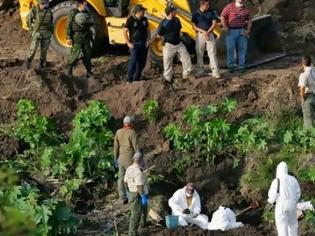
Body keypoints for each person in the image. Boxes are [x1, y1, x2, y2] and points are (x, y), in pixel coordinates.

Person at [157, 5, 192, 83]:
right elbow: (158, 34)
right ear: (170, 12)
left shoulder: (177, 20)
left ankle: (186, 75)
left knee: (186, 58)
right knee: (167, 62)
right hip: (168, 45)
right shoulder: (163, 23)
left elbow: (179, 31)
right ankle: (167, 79)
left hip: (179, 44)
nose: (176, 12)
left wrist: (183, 37)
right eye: (174, 10)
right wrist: (163, 40)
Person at [266, 162, 301, 236]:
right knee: (293, 226)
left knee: (282, 228)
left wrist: (270, 202)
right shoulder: (293, 180)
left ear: (278, 170)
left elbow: (273, 195)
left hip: (281, 205)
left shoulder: (277, 180)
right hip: (292, 204)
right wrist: (294, 201)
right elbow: (298, 193)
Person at [114, 116, 140, 204]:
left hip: (120, 158)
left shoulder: (118, 132)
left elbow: (116, 146)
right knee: (130, 177)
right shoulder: (132, 133)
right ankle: (132, 196)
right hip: (129, 158)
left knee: (121, 178)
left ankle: (122, 198)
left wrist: (115, 157)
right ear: (131, 124)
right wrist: (139, 159)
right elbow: (136, 148)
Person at [221, 0, 252, 73]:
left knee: (242, 49)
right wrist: (225, 26)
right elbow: (222, 16)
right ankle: (231, 66)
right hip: (231, 31)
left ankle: (242, 66)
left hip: (242, 31)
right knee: (230, 49)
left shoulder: (246, 9)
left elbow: (250, 20)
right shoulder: (229, 7)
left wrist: (248, 30)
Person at [192, 0, 220, 79]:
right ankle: (200, 71)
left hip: (210, 34)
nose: (208, 6)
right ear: (202, 5)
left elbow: (214, 23)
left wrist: (208, 32)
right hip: (200, 35)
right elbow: (193, 26)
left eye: (209, 5)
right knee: (199, 52)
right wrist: (203, 32)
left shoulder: (211, 12)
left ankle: (215, 72)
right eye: (207, 5)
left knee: (212, 53)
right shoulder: (195, 14)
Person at [66, 0, 94, 79]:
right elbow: (68, 25)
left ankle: (89, 72)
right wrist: (68, 37)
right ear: (80, 4)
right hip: (77, 37)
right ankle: (69, 72)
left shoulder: (87, 12)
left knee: (87, 56)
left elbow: (91, 22)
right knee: (74, 55)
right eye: (85, 4)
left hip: (86, 36)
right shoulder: (73, 13)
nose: (86, 5)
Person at [123, 4, 150, 84]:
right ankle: (129, 79)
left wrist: (148, 40)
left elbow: (148, 30)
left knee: (142, 62)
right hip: (134, 44)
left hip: (144, 44)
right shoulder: (130, 20)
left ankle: (136, 78)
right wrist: (128, 43)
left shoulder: (144, 19)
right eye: (143, 11)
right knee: (134, 60)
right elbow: (125, 31)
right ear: (138, 12)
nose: (144, 12)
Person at [124, 152, 149, 236]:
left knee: (140, 211)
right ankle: (132, 233)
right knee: (136, 214)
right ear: (141, 160)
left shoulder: (129, 168)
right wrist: (143, 196)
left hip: (131, 192)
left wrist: (127, 191)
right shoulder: (138, 171)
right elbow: (139, 186)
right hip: (137, 194)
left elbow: (125, 181)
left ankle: (143, 223)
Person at [25, 0, 53, 70]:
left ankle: (41, 65)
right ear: (41, 3)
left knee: (44, 50)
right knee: (33, 48)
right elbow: (28, 19)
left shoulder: (49, 11)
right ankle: (28, 63)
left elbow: (51, 21)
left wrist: (50, 32)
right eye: (45, 3)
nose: (47, 5)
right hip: (37, 32)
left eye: (47, 3)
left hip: (46, 32)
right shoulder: (34, 10)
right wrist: (31, 29)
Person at [298, 55, 315, 129]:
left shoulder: (304, 75)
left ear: (302, 64)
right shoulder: (314, 70)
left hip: (309, 97)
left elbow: (302, 88)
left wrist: (303, 96)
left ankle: (309, 134)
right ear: (311, 62)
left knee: (308, 117)